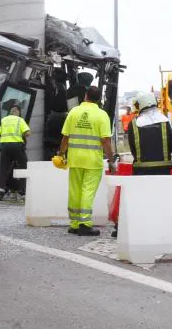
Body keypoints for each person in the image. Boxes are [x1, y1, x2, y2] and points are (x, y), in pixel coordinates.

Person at [58, 86, 113, 236]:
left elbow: (65, 137)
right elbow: (105, 140)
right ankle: (85, 223)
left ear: (85, 96)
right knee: (88, 191)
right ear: (99, 99)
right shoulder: (102, 115)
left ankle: (74, 224)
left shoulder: (73, 112)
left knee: (75, 190)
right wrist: (111, 158)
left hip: (75, 158)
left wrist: (61, 153)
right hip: (93, 160)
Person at [127, 92, 172, 176]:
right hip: (163, 170)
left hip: (141, 171)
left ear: (141, 104)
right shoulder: (165, 121)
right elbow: (170, 144)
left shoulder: (134, 123)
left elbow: (132, 147)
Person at [0, 106, 30, 201]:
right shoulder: (20, 120)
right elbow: (28, 133)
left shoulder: (3, 120)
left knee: (4, 167)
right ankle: (23, 192)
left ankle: (0, 190)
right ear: (17, 111)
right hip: (17, 146)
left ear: (10, 112)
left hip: (5, 147)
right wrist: (20, 135)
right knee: (23, 166)